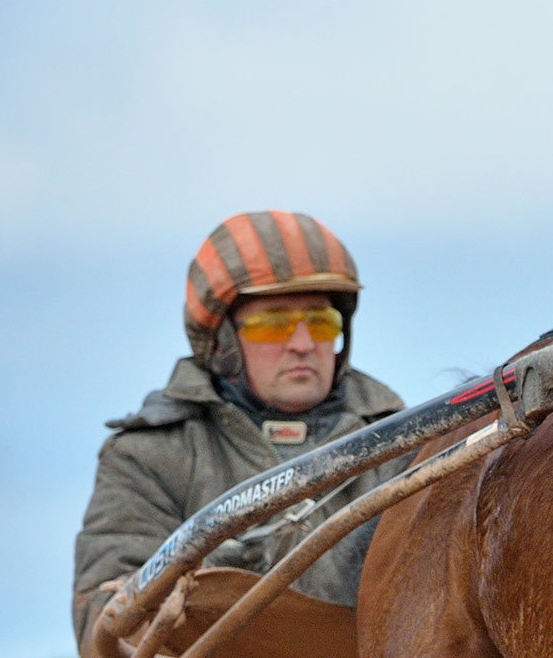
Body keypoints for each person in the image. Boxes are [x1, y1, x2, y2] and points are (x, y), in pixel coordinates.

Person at [73, 211, 409, 645]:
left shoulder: (406, 446)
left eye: (322, 322)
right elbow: (104, 625)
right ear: (222, 343)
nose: (304, 343)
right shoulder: (148, 454)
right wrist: (209, 581)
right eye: (273, 324)